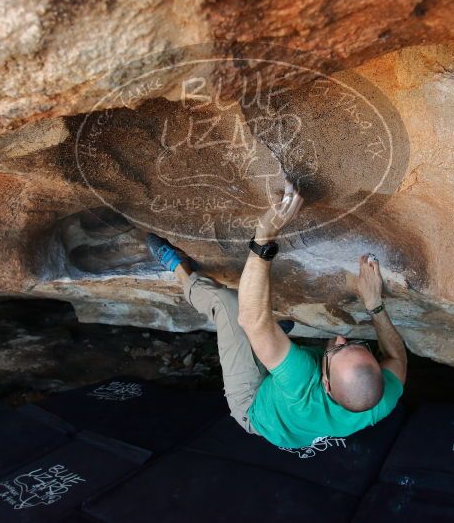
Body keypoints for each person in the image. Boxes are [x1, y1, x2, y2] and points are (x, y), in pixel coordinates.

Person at [146, 183, 407, 448]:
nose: (341, 338)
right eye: (355, 344)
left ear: (325, 385)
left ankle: (179, 269)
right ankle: (271, 344)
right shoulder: (382, 400)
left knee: (228, 304)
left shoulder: (302, 381)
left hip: (255, 407)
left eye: (338, 351)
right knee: (265, 336)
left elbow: (252, 319)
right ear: (380, 377)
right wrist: (374, 303)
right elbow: (397, 357)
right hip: (293, 415)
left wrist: (264, 237)